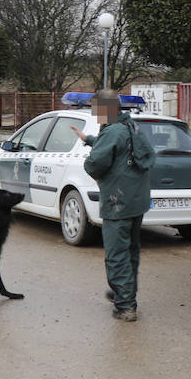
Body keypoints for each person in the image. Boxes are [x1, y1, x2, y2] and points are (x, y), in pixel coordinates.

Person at [71, 90, 154, 322]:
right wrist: (89, 139)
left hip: (118, 201)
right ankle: (124, 291)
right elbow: (121, 145)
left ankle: (125, 305)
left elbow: (95, 164)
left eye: (97, 109)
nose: (96, 115)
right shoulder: (131, 127)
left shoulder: (113, 131)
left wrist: (92, 158)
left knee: (117, 253)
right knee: (130, 250)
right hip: (136, 200)